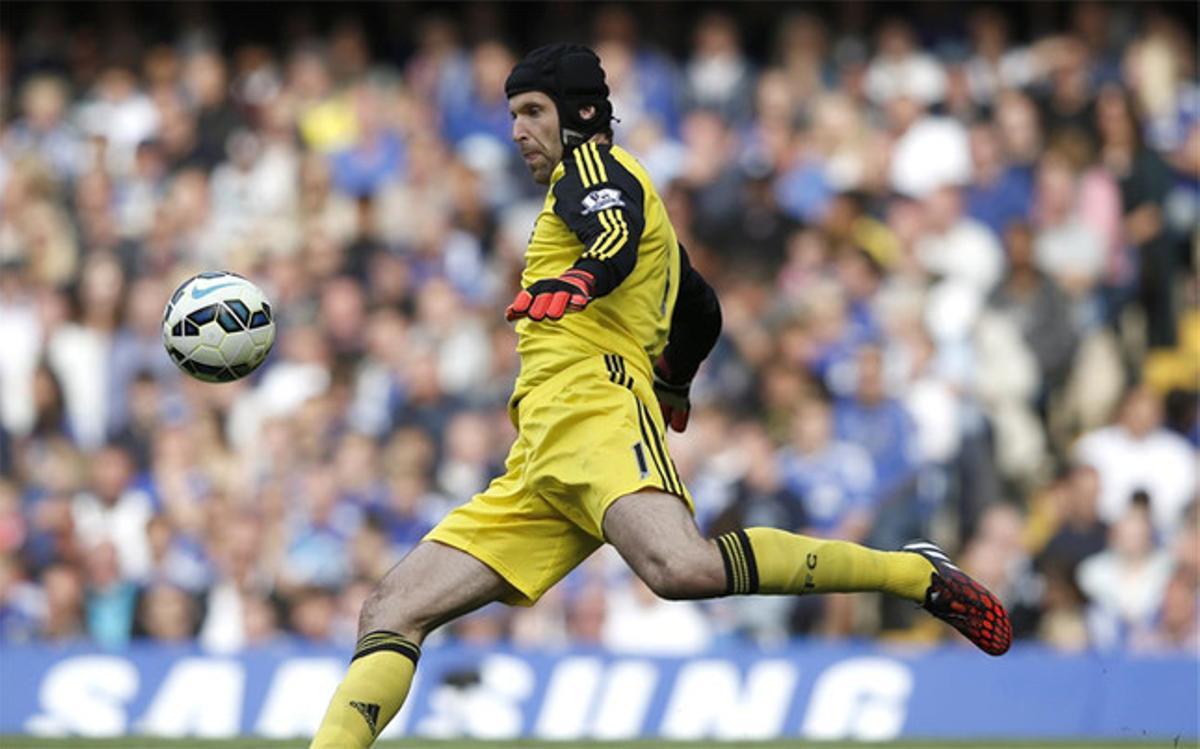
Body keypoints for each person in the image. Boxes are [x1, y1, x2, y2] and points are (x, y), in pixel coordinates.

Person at [309, 45, 1012, 749]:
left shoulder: (593, 170)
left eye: (532, 111)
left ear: (581, 113)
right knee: (392, 608)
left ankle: (911, 572)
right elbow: (701, 306)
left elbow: (610, 237)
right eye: (512, 114)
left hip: (594, 409)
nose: (517, 130)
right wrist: (675, 377)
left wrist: (584, 278)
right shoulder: (638, 201)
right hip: (542, 454)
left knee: (682, 568)